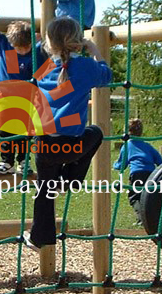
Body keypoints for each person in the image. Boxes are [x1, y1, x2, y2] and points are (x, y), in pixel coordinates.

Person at [22, 17, 112, 252]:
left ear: (50, 43)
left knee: (44, 191)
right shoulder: (85, 66)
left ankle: (38, 237)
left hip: (43, 145)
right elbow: (106, 75)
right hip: (72, 145)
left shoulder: (44, 70)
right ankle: (70, 179)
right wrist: (94, 49)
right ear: (77, 41)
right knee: (95, 132)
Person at [0, 17, 46, 175]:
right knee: (6, 131)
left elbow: (50, 46)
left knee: (25, 132)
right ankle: (7, 161)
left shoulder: (38, 51)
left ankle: (23, 160)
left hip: (28, 100)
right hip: (5, 99)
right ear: (11, 42)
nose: (23, 51)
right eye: (19, 48)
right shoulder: (5, 46)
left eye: (26, 47)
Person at [112, 118, 162, 225]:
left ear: (127, 132)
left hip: (137, 173)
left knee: (135, 197)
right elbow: (159, 161)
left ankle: (142, 219)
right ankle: (154, 219)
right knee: (149, 197)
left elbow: (121, 164)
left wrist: (115, 165)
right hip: (152, 174)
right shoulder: (147, 146)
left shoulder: (127, 146)